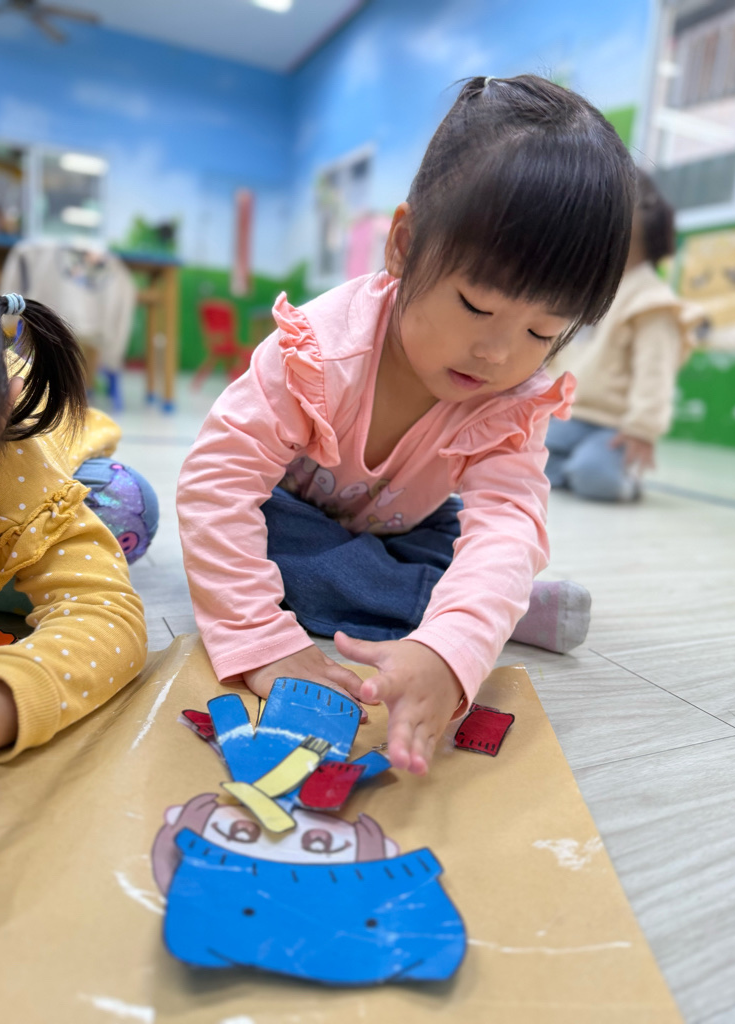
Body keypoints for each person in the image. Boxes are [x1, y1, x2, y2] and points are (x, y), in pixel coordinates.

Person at [177, 75, 636, 776]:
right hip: (294, 515)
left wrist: (448, 659)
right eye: (476, 306)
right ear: (403, 245)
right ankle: (483, 610)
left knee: (485, 553)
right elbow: (217, 481)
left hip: (407, 528)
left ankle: (465, 611)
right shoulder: (319, 350)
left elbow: (508, 521)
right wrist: (261, 639)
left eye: (543, 331)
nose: (497, 353)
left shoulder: (510, 396)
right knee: (275, 548)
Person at [0, 289, 155, 760]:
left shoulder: (15, 455)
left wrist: (4, 698)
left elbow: (107, 617)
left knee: (127, 501)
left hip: (61, 467)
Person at [545, 169, 701, 500]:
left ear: (649, 220)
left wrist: (642, 429)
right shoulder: (584, 289)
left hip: (612, 427)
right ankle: (572, 467)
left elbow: (655, 372)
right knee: (520, 458)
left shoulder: (652, 299)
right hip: (567, 418)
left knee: (594, 477)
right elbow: (554, 351)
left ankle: (613, 473)